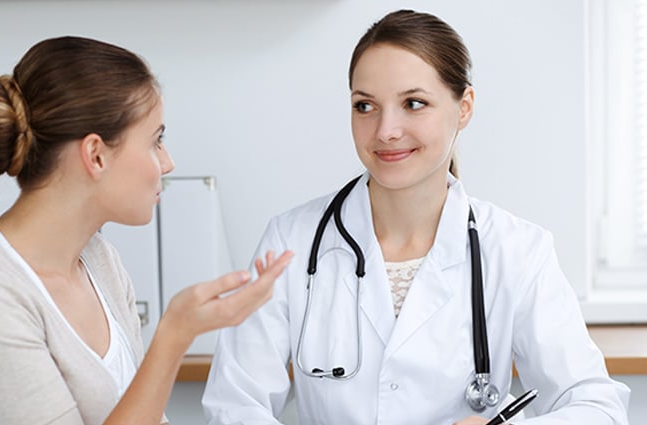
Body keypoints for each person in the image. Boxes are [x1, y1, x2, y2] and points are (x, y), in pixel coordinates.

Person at [202, 9, 630, 425]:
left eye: (413, 103)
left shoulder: (517, 250)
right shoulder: (292, 241)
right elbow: (235, 405)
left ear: (464, 108)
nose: (386, 130)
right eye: (365, 106)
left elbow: (597, 406)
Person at [0, 36, 293, 425]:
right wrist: (174, 336)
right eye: (156, 141)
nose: (167, 163)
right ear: (95, 155)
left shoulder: (99, 261)